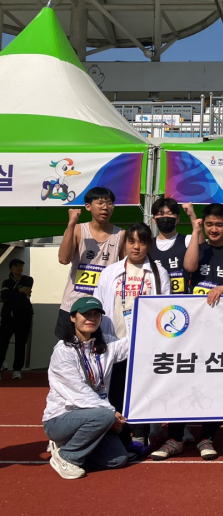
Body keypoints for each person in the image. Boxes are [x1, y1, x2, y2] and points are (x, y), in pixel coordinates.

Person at [151, 203, 223, 461]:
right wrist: (196, 231)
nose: (214, 229)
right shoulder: (197, 247)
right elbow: (189, 267)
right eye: (209, 224)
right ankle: (175, 438)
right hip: (191, 329)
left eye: (219, 224)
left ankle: (207, 437)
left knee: (216, 383)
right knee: (181, 381)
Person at [93, 222, 170, 451]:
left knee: (142, 390)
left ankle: (141, 435)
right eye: (131, 241)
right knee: (116, 390)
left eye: (142, 242)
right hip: (115, 341)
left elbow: (166, 308)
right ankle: (119, 434)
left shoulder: (158, 273)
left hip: (145, 344)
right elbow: (98, 305)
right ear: (125, 244)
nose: (136, 247)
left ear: (149, 245)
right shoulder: (111, 272)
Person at [43, 296, 131, 479]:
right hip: (61, 419)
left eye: (96, 314)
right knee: (105, 415)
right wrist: (111, 414)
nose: (91, 318)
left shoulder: (106, 344)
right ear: (72, 317)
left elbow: (135, 343)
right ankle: (67, 456)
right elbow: (79, 393)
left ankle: (69, 446)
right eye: (85, 314)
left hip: (95, 416)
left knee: (118, 459)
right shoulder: (63, 351)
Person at [56, 187, 125, 341]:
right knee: (67, 347)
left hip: (104, 306)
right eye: (100, 203)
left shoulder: (121, 235)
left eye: (109, 203)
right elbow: (63, 259)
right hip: (73, 303)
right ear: (88, 206)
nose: (105, 207)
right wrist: (71, 223)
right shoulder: (78, 230)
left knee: (102, 348)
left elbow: (125, 269)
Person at [149, 198, 200, 295]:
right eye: (160, 214)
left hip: (182, 300)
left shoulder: (188, 240)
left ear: (178, 218)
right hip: (156, 300)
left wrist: (192, 215)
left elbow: (201, 243)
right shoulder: (148, 245)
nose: (165, 217)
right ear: (154, 219)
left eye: (170, 213)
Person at [0, 259, 34, 379]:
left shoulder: (27, 279)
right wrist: (20, 291)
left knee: (21, 343)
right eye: (16, 266)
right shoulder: (6, 282)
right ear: (10, 268)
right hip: (8, 316)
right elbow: (4, 296)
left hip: (24, 316)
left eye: (21, 266)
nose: (19, 268)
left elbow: (26, 291)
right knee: (2, 342)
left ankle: (17, 370)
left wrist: (11, 294)